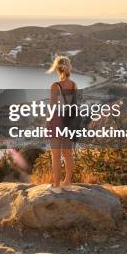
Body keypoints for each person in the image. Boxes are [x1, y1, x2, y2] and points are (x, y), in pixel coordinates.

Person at [46, 55, 76, 187]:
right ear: (68, 67)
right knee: (68, 154)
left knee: (56, 155)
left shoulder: (55, 86)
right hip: (69, 122)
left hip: (57, 121)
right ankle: (67, 182)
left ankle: (56, 185)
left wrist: (48, 122)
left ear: (57, 69)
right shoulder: (74, 84)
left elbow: (52, 107)